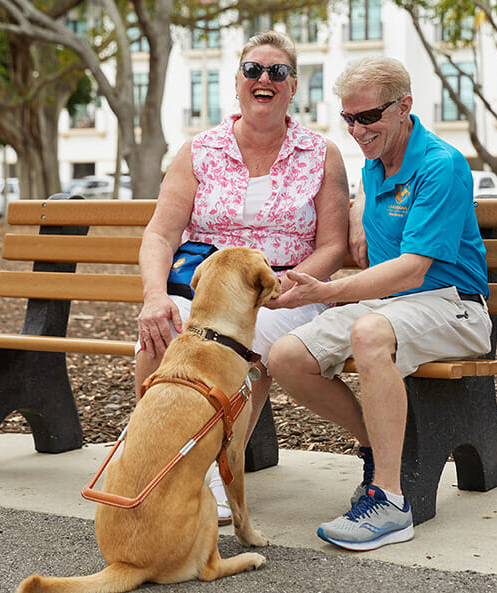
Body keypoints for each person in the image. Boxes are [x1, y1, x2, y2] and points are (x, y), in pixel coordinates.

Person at [267, 57, 493, 551]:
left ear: (404, 106)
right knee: (285, 356)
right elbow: (378, 221)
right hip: (394, 306)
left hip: (454, 305)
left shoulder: (440, 164)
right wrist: (354, 210)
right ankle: (375, 446)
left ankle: (390, 502)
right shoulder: (374, 163)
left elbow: (414, 269)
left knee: (368, 332)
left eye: (368, 117)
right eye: (348, 118)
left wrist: (326, 291)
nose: (357, 130)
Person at [134, 31, 350, 524]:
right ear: (236, 82)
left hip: (284, 294)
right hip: (205, 289)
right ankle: (150, 457)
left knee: (244, 351)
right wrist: (153, 296)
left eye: (277, 72)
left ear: (293, 86)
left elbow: (333, 247)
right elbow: (160, 234)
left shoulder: (320, 154)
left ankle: (209, 467)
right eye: (253, 70)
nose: (264, 79)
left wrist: (291, 287)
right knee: (158, 336)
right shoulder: (200, 150)